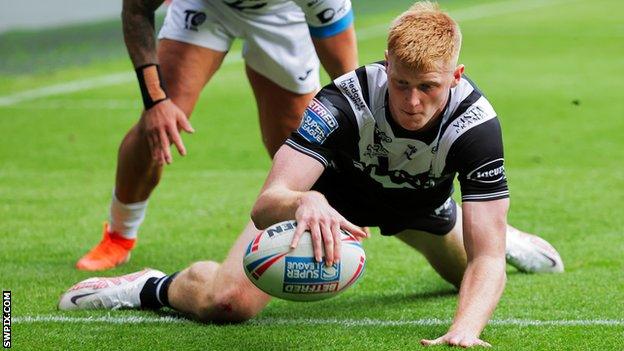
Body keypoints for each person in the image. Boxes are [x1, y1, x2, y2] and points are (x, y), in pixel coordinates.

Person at [60, 2, 564, 347]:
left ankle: (488, 223)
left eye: (428, 87)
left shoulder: (477, 124)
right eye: (401, 84)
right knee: (228, 302)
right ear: (385, 63)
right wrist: (305, 201)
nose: (412, 102)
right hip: (331, 204)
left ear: (455, 77)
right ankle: (145, 288)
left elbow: (486, 262)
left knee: (474, 269)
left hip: (418, 203)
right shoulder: (342, 99)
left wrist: (464, 332)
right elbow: (267, 201)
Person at [75, 0, 359, 271]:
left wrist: (357, 163)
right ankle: (118, 237)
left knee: (300, 145)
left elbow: (349, 84)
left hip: (285, 15)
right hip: (207, 7)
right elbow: (136, 9)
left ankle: (322, 231)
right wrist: (156, 102)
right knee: (157, 129)